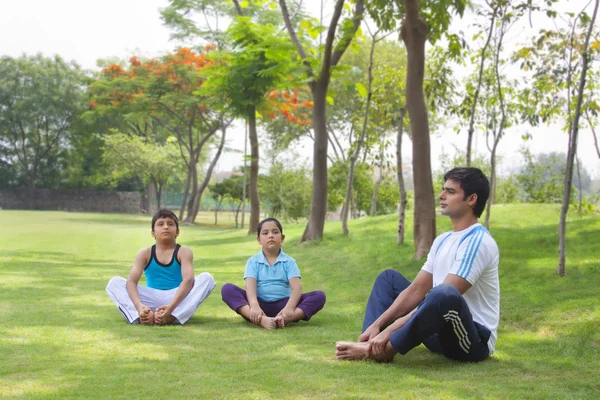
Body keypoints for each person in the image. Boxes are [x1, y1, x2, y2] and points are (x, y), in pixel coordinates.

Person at [336, 167, 499, 363]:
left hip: (469, 341)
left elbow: (441, 299)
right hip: (435, 330)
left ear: (472, 199)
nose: (441, 196)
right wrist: (378, 325)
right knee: (388, 279)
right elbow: (416, 291)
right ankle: (370, 341)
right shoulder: (443, 240)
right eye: (443, 190)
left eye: (451, 192)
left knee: (442, 293)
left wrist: (389, 331)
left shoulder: (478, 242)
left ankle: (383, 350)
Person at [106, 209, 215, 325]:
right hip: (150, 298)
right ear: (153, 232)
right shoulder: (145, 253)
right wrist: (139, 306)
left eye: (170, 224)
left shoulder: (184, 252)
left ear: (177, 232)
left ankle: (173, 317)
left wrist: (171, 307)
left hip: (176, 297)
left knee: (207, 278)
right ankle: (141, 316)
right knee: (114, 282)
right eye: (160, 224)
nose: (166, 227)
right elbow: (131, 282)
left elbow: (188, 280)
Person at [221, 218, 326, 330]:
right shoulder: (253, 261)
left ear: (282, 238)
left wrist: (289, 309)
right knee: (227, 289)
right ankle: (260, 319)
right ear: (259, 239)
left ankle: (285, 319)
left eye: (275, 232)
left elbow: (296, 289)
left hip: (284, 305)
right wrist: (255, 306)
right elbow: (250, 287)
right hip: (258, 305)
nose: (270, 236)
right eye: (265, 233)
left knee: (319, 296)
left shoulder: (289, 262)